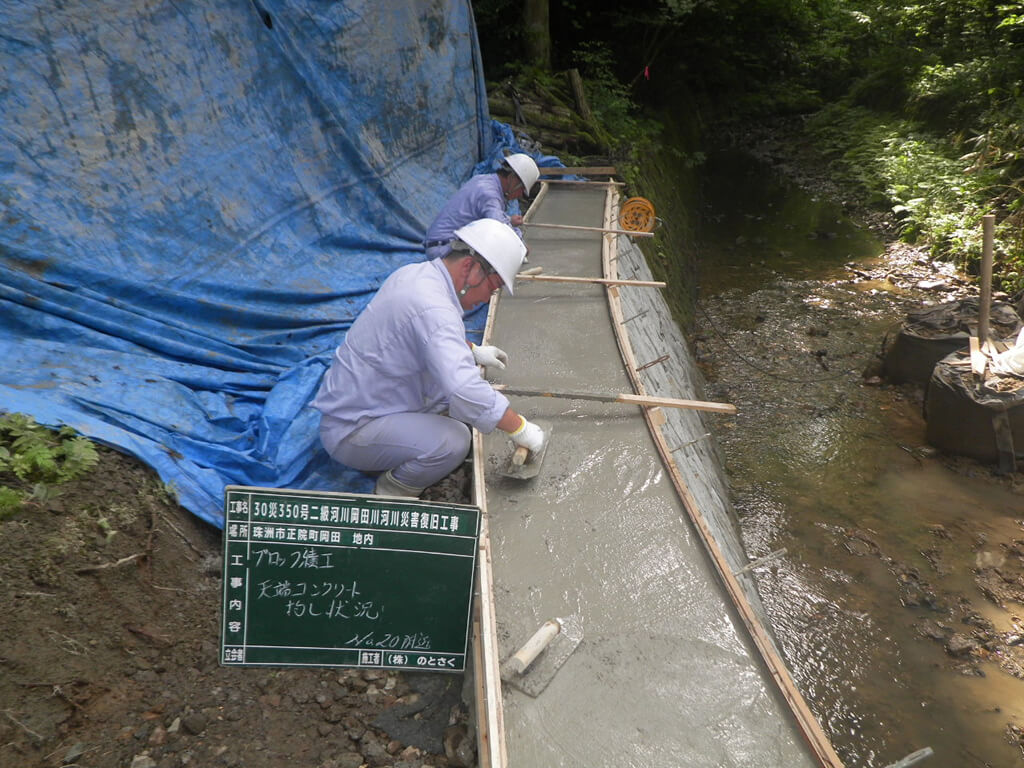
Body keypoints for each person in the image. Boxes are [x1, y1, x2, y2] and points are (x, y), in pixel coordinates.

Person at [312, 218, 547, 498]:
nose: (487, 298)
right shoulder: (434, 308)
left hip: (360, 402)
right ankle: (392, 492)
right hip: (352, 431)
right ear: (470, 268)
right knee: (454, 440)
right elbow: (464, 388)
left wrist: (472, 351)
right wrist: (519, 428)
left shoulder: (417, 275)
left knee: (455, 406)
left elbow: (426, 334)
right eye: (491, 287)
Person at [422, 153, 540, 260]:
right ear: (512, 179)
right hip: (444, 249)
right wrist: (521, 246)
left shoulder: (484, 180)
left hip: (441, 244)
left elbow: (490, 216)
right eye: (521, 190)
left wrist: (509, 220)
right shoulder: (489, 194)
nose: (519, 195)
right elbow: (500, 228)